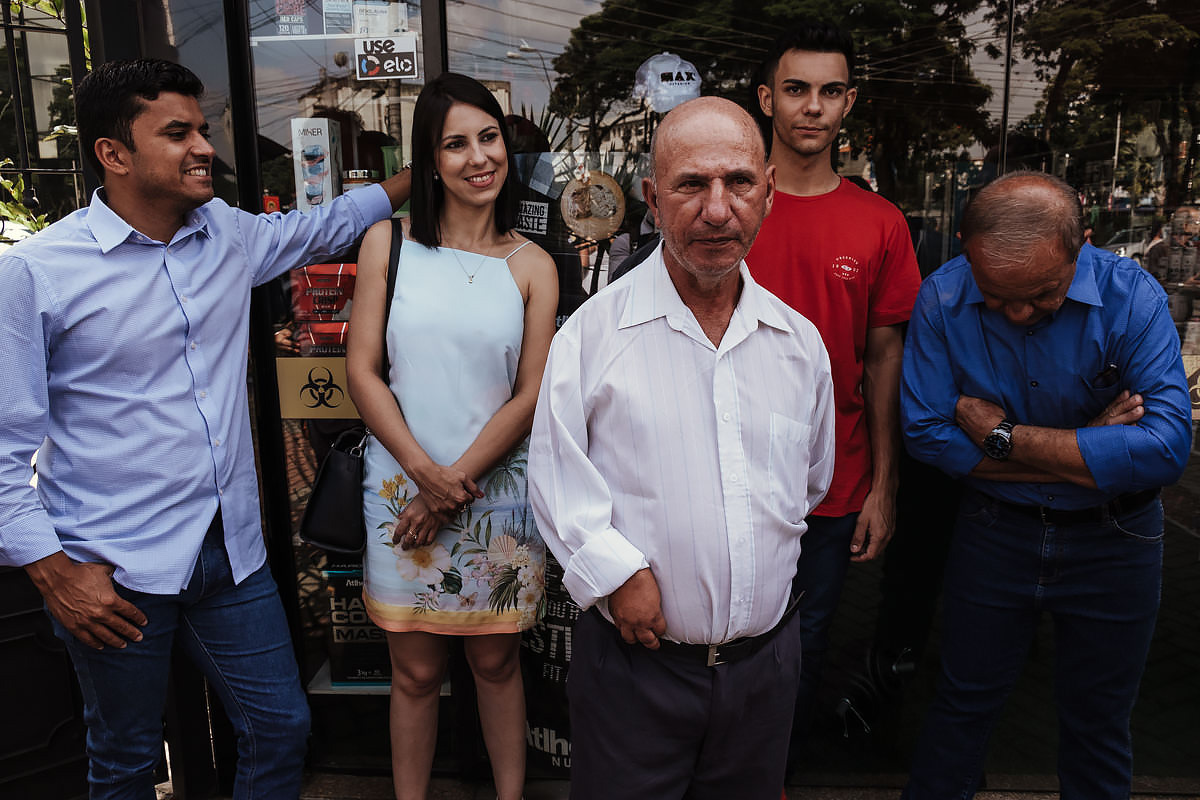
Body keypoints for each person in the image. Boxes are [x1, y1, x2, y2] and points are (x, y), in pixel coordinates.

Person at [0, 58, 412, 799]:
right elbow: (3, 449)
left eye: (203, 130)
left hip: (232, 558)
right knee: (126, 760)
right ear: (113, 154)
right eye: (178, 132)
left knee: (280, 728)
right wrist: (55, 573)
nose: (204, 148)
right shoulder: (37, 274)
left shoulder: (224, 234)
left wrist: (430, 171)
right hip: (113, 569)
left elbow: (324, 226)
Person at [528, 96, 836, 800]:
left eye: (738, 182)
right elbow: (553, 475)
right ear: (653, 200)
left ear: (768, 190)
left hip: (765, 671)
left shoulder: (798, 345)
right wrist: (614, 571)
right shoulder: (594, 335)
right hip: (637, 672)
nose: (718, 209)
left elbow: (809, 485)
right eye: (692, 185)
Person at [900, 171, 1191, 799]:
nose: (1018, 313)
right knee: (961, 709)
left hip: (1117, 540)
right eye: (997, 295)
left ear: (1082, 244)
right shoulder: (941, 299)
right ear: (964, 247)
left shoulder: (1133, 297)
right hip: (995, 531)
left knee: (1098, 724)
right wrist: (1091, 447)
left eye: (1042, 294)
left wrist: (1004, 436)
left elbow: (1166, 448)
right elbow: (926, 435)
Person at [346, 72, 557, 800]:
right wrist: (422, 474)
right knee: (416, 672)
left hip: (494, 497)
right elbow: (363, 372)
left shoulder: (533, 265)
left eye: (490, 138)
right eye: (456, 143)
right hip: (399, 488)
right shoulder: (388, 243)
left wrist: (451, 483)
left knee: (496, 665)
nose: (479, 157)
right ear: (430, 161)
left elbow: (530, 396)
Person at [746, 21, 921, 752]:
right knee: (721, 641)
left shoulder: (879, 223)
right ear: (766, 100)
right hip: (730, 473)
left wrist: (884, 486)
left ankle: (771, 776)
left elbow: (884, 359)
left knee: (803, 644)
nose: (811, 107)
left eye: (828, 92)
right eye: (795, 90)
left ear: (849, 103)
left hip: (834, 481)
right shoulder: (730, 207)